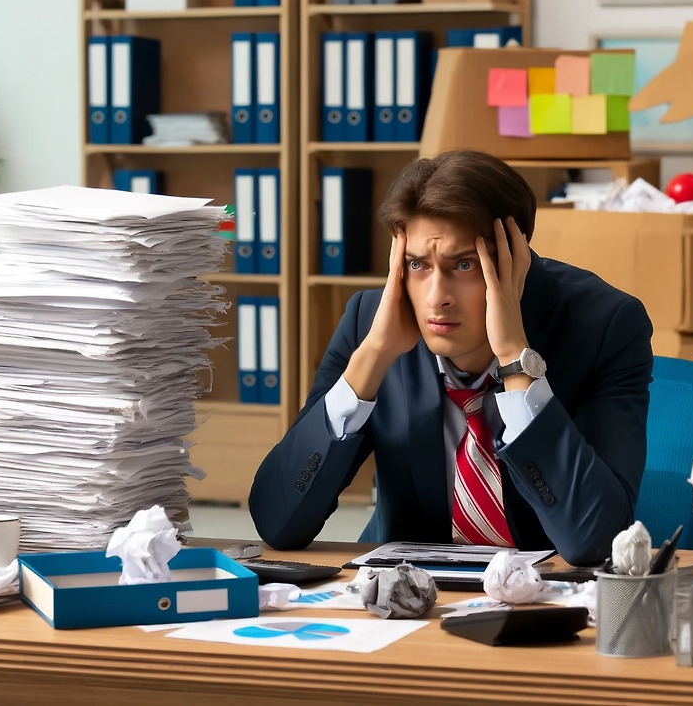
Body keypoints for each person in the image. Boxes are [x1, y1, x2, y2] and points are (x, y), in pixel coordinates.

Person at [249, 150, 653, 565]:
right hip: (406, 595)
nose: (436, 298)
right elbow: (278, 523)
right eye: (417, 265)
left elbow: (596, 541)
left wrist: (516, 360)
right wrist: (372, 356)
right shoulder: (370, 324)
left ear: (516, 259)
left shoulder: (605, 325)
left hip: (542, 596)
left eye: (463, 264)